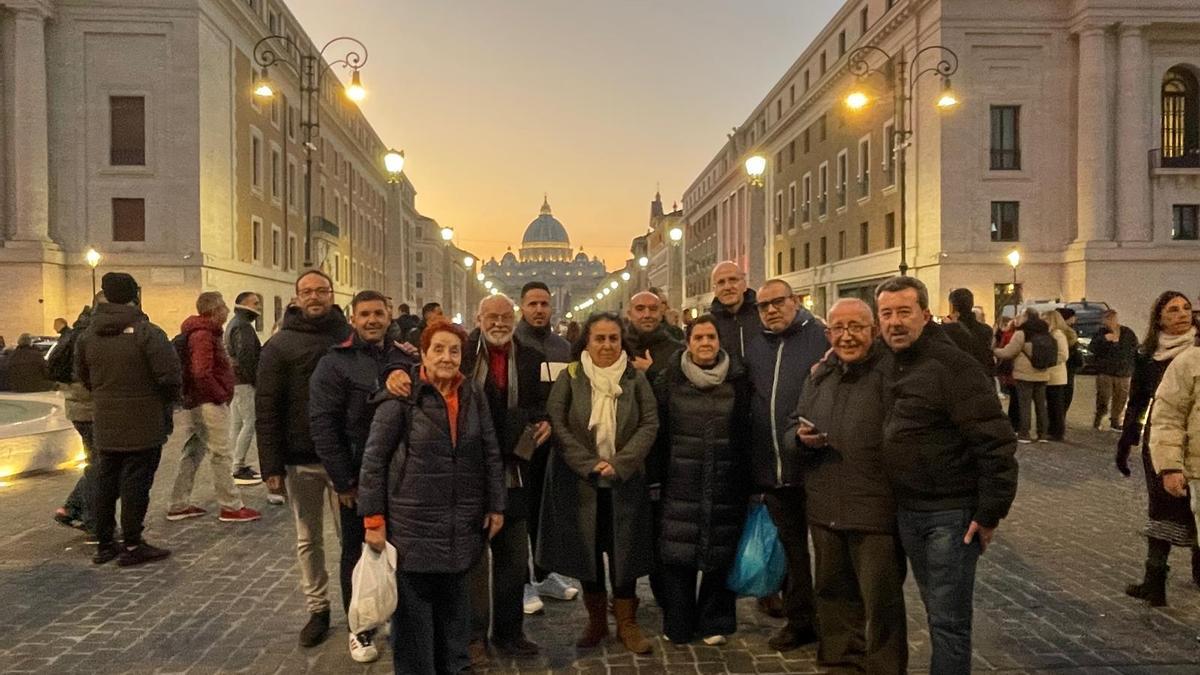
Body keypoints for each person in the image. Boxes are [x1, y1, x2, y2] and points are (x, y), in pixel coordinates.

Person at [875, 275, 1018, 674]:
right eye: (886, 314)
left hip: (949, 515)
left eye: (904, 312)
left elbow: (996, 442)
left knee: (948, 622)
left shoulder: (953, 366)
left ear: (925, 314)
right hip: (905, 510)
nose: (895, 322)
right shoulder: (889, 360)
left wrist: (990, 512)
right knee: (931, 611)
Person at [360, 320, 506, 675]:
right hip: (413, 524)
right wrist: (373, 520)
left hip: (462, 523)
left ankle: (455, 667)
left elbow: (489, 451)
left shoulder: (471, 394)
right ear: (423, 354)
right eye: (438, 349)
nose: (446, 357)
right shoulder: (403, 396)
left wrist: (496, 505)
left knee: (455, 611)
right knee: (414, 620)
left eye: (454, 350)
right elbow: (374, 461)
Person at [788, 299, 906, 673]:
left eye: (856, 327)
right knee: (833, 597)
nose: (847, 336)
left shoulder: (892, 374)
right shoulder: (820, 374)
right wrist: (798, 436)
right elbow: (795, 420)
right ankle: (840, 664)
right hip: (826, 506)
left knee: (881, 603)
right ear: (828, 334)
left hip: (874, 509)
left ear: (873, 331)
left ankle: (886, 668)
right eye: (839, 329)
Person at [537, 312, 659, 654]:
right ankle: (595, 622)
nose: (607, 345)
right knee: (588, 554)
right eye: (599, 339)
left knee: (626, 556)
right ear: (586, 343)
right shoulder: (573, 375)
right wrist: (589, 464)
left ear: (622, 342)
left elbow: (649, 423)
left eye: (613, 339)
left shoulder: (635, 377)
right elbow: (557, 423)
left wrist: (619, 464)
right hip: (581, 484)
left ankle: (627, 624)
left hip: (624, 483)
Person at [308, 290, 413, 663]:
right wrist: (342, 480)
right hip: (356, 474)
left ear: (389, 317)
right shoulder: (334, 363)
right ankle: (360, 627)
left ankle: (392, 615)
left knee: (398, 551)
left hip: (400, 475)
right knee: (357, 552)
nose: (372, 320)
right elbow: (323, 425)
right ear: (352, 318)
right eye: (365, 314)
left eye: (378, 313)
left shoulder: (405, 356)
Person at [256, 270, 352, 648]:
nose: (315, 297)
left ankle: (358, 608)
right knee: (308, 538)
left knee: (353, 540)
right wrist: (271, 467)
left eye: (321, 291)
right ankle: (318, 609)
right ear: (296, 298)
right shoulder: (279, 346)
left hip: (346, 460)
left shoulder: (350, 336)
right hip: (300, 459)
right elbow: (267, 408)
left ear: (332, 295)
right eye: (307, 292)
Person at [460, 294, 551, 663]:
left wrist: (544, 422)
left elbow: (545, 404)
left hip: (516, 470)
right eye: (492, 316)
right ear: (478, 318)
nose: (499, 322)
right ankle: (473, 636)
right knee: (474, 563)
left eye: (505, 316)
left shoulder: (532, 358)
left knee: (513, 560)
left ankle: (510, 632)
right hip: (470, 471)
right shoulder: (463, 354)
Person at [652, 315, 750, 646]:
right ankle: (677, 621)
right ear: (688, 342)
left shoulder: (737, 380)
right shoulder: (670, 380)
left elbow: (746, 430)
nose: (705, 343)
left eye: (711, 337)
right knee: (678, 553)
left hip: (726, 477)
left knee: (720, 552)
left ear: (719, 341)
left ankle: (713, 620)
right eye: (699, 338)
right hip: (680, 479)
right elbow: (659, 432)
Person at [744, 279, 829, 651]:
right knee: (793, 554)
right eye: (763, 306)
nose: (771, 310)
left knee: (830, 555)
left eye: (778, 302)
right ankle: (800, 621)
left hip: (821, 467)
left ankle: (836, 625)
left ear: (796, 301)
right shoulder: (756, 345)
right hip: (775, 469)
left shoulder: (822, 337)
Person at [75, 272, 182, 566]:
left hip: (106, 421)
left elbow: (83, 377)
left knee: (106, 481)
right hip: (144, 419)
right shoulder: (147, 332)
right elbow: (170, 375)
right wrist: (165, 400)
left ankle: (105, 544)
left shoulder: (88, 335)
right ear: (135, 294)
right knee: (137, 482)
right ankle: (133, 544)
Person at [1117, 291, 1198, 606]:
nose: (1182, 314)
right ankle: (1154, 581)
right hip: (1162, 440)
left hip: (1197, 438)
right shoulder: (1149, 355)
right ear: (1159, 318)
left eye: (1186, 308)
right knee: (1164, 508)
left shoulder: (1197, 350)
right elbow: (1137, 399)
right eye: (1173, 310)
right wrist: (1127, 440)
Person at [512, 281, 580, 614]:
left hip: (556, 442)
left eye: (544, 304)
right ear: (521, 307)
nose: (539, 309)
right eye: (533, 304)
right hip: (523, 442)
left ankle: (545, 573)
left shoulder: (563, 347)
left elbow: (571, 391)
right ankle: (522, 581)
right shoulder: (512, 344)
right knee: (521, 512)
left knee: (547, 511)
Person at [166, 292, 261, 524]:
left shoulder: (201, 333)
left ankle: (178, 503)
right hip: (208, 403)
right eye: (224, 307)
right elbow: (201, 371)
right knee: (221, 454)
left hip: (198, 401)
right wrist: (219, 394)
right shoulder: (203, 335)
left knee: (193, 451)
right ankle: (230, 505)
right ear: (214, 310)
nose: (227, 311)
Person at [624, 290, 682, 606]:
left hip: (665, 451)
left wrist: (651, 375)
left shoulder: (676, 350)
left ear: (661, 311)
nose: (646, 314)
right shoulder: (612, 346)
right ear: (629, 312)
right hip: (626, 454)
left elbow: (681, 396)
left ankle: (666, 593)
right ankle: (624, 597)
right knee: (627, 530)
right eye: (640, 308)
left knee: (664, 526)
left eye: (652, 308)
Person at [53, 303, 99, 538]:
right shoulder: (90, 336)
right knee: (100, 466)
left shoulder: (72, 335)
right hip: (90, 408)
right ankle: (87, 516)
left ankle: (72, 509)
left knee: (96, 463)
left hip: (76, 408)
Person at [993, 309, 1064, 443]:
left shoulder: (1021, 333)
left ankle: (1024, 434)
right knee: (1041, 405)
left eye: (1021, 315)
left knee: (1024, 405)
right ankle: (1042, 434)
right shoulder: (1045, 332)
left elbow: (1009, 352)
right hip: (1042, 373)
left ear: (1026, 317)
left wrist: (994, 351)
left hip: (1024, 374)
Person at [226, 291, 263, 486]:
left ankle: (235, 464)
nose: (258, 306)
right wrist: (255, 380)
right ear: (244, 303)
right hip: (244, 382)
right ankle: (238, 466)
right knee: (250, 422)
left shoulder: (236, 323)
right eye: (255, 303)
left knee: (238, 424)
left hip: (236, 381)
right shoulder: (243, 326)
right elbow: (246, 356)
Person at [708, 261, 763, 370]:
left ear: (744, 285)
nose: (727, 287)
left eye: (733, 280)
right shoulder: (709, 324)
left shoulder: (764, 315)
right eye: (721, 282)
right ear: (715, 290)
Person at [1091, 309, 1139, 430]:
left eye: (1112, 319)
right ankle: (1099, 417)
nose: (1110, 322)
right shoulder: (1101, 333)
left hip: (1123, 371)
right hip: (1106, 371)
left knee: (1121, 398)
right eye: (1107, 319)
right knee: (1104, 396)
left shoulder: (1127, 332)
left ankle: (1115, 420)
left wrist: (1131, 364)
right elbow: (1093, 348)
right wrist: (1104, 340)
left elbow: (1134, 347)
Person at [943, 288, 995, 376]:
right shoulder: (986, 330)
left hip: (960, 378)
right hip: (983, 377)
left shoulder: (948, 330)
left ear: (953, 307)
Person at [1044, 310, 1073, 441]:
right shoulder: (1050, 334)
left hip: (1056, 375)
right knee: (1051, 404)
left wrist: (1048, 362)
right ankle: (1051, 429)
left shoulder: (1057, 334)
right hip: (1050, 374)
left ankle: (1057, 431)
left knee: (1056, 405)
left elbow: (1063, 354)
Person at [1056, 308, 1083, 419]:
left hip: (1065, 369)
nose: (1075, 319)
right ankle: (1059, 421)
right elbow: (1070, 352)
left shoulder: (1064, 331)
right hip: (1066, 368)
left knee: (1060, 398)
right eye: (1073, 317)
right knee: (1064, 396)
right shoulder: (1066, 333)